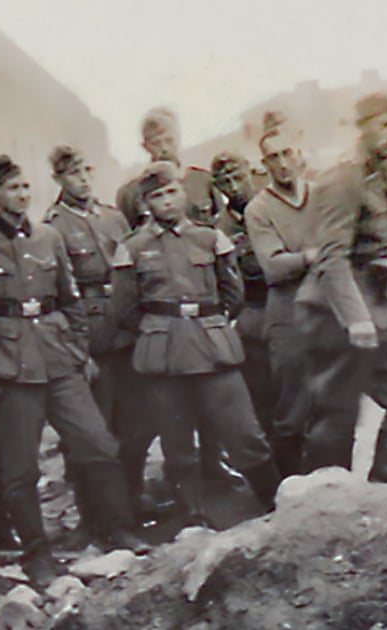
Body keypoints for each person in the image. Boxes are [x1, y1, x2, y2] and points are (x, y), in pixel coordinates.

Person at [0, 155, 147, 588]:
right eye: (12, 188)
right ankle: (36, 553)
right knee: (21, 469)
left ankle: (118, 529)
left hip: (58, 360)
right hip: (11, 367)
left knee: (99, 445)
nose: (21, 195)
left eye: (24, 187)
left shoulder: (48, 237)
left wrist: (77, 350)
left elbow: (70, 300)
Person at [109, 161, 283, 525]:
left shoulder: (210, 238)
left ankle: (275, 504)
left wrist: (207, 324)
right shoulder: (133, 248)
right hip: (164, 355)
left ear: (183, 194)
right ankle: (192, 516)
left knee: (244, 432)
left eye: (172, 192)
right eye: (157, 196)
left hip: (212, 347)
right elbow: (125, 309)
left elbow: (232, 294)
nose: (167, 202)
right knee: (177, 444)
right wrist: (161, 329)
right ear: (146, 204)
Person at [296, 92, 387, 477]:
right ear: (361, 129)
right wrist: (355, 319)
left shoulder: (383, 174)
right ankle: (324, 497)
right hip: (335, 309)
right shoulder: (343, 180)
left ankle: (382, 485)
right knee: (337, 414)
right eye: (384, 125)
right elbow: (331, 256)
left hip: (381, 300)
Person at [115, 108, 239, 487]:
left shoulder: (201, 181)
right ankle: (178, 477)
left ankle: (214, 463)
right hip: (163, 308)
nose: (164, 147)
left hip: (205, 298)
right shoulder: (131, 192)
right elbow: (132, 248)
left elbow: (218, 230)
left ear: (180, 136)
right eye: (156, 142)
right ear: (145, 146)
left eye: (170, 138)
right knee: (169, 404)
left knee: (213, 393)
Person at [41, 146, 144, 537]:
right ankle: (96, 519)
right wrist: (76, 347)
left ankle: (131, 502)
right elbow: (59, 292)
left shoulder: (113, 218)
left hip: (125, 329)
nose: (82, 179)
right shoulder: (53, 227)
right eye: (73, 173)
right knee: (92, 433)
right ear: (58, 179)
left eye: (86, 170)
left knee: (132, 425)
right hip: (90, 336)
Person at [244, 111, 317, 478]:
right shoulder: (259, 209)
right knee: (292, 412)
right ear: (264, 164)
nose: (283, 163)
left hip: (327, 312)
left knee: (334, 409)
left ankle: (338, 493)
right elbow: (273, 266)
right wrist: (311, 256)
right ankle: (288, 494)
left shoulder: (323, 195)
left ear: (300, 152)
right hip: (288, 317)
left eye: (287, 153)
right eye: (273, 157)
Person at [210, 152, 273, 442]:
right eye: (225, 182)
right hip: (251, 312)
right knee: (261, 394)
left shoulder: (273, 207)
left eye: (238, 177)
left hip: (285, 304)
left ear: (251, 172)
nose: (234, 187)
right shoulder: (220, 227)